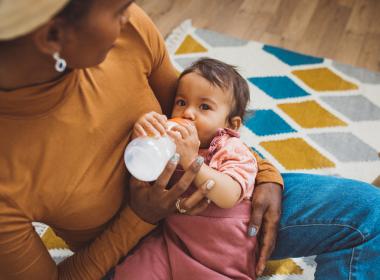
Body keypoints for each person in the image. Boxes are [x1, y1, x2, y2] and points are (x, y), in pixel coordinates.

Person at [0, 1, 379, 280]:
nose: (130, 11)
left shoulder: (128, 34)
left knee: (370, 214)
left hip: (219, 211)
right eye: (116, 9)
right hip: (140, 257)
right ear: (53, 35)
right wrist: (139, 217)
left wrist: (263, 173)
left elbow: (202, 121)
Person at [114, 58, 260, 279]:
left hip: (220, 257)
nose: (188, 113)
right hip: (172, 244)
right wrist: (144, 137)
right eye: (181, 102)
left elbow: (229, 195)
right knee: (131, 273)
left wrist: (193, 161)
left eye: (204, 107)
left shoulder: (232, 149)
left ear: (231, 124)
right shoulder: (169, 142)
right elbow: (147, 175)